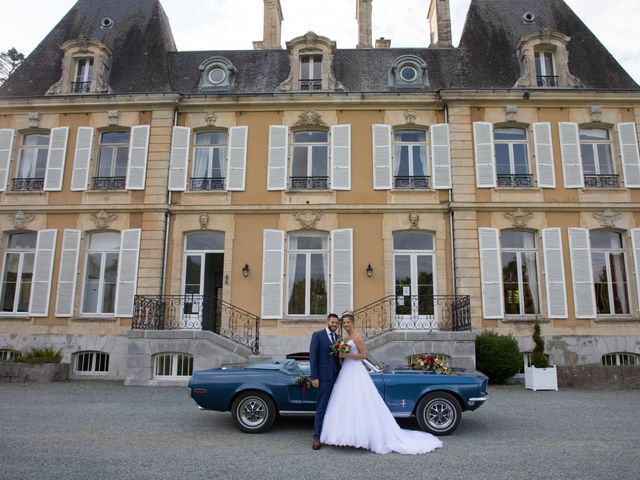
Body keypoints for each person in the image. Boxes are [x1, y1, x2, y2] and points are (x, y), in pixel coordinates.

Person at [320, 311, 443, 455]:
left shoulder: (357, 337)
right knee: (345, 402)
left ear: (353, 323)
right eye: (344, 322)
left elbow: (362, 355)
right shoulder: (345, 338)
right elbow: (341, 356)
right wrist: (341, 356)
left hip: (355, 371)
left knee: (360, 402)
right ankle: (346, 435)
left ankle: (363, 436)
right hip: (346, 371)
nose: (346, 324)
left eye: (348, 322)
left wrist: (345, 355)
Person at [308, 313, 341, 450]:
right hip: (323, 378)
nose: (334, 324)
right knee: (321, 407)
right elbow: (313, 357)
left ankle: (332, 435)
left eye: (336, 323)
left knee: (335, 408)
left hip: (337, 378)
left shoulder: (339, 338)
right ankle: (317, 437)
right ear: (327, 321)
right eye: (332, 322)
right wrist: (314, 377)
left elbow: (339, 358)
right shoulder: (318, 335)